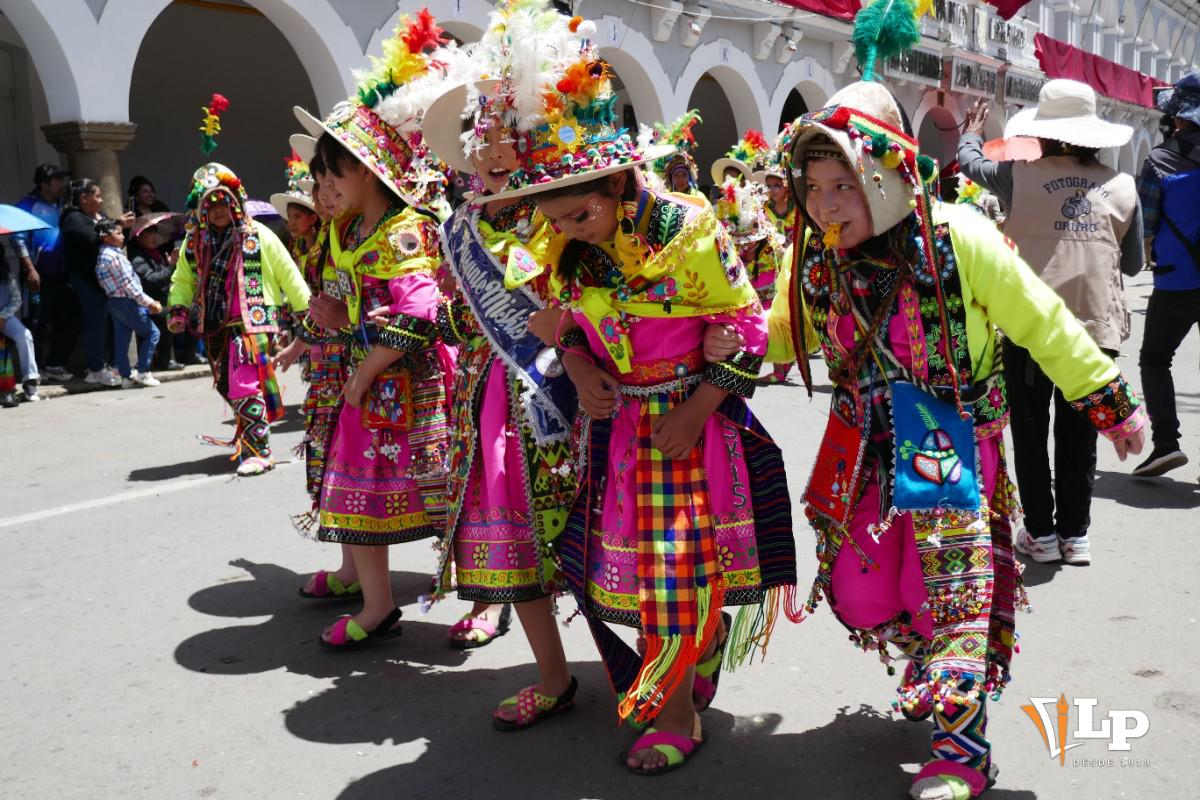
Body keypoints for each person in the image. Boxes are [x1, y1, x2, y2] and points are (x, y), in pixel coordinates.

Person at [714, 77, 1145, 800]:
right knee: (860, 591)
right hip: (859, 448)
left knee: (950, 594)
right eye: (814, 187)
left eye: (842, 184)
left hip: (943, 439)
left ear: (887, 172)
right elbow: (787, 332)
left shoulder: (960, 236)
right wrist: (741, 334)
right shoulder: (816, 257)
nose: (824, 203)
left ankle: (961, 746)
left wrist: (1108, 401)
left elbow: (1043, 321)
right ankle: (937, 668)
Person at [485, 25, 798, 773]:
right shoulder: (557, 241)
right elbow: (560, 322)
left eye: (578, 215)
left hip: (690, 427)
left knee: (673, 572)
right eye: (554, 219)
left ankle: (679, 714)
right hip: (619, 428)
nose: (564, 230)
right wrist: (579, 365)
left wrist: (694, 413)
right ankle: (693, 657)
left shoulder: (688, 230)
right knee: (614, 572)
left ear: (619, 184)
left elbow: (748, 329)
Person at [420, 0, 580, 719]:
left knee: (600, 533)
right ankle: (553, 675)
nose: (488, 148)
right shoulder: (462, 228)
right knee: (514, 538)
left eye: (504, 131)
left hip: (572, 394)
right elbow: (459, 314)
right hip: (492, 397)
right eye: (479, 132)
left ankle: (663, 667)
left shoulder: (564, 211)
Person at [297, 11, 457, 648]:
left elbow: (419, 314)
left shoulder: (403, 230)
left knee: (442, 490)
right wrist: (324, 320)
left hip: (407, 385)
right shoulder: (345, 230)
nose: (324, 185)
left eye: (334, 170)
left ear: (367, 172)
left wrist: (364, 370)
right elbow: (340, 296)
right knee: (353, 491)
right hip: (364, 382)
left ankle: (486, 596)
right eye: (322, 172)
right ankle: (377, 604)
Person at [959, 80, 1142, 565]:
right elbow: (1132, 264)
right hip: (1093, 328)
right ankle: (1075, 535)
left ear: (1044, 132)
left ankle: (1039, 534)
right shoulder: (1122, 186)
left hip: (1029, 326)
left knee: (1030, 429)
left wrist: (971, 131)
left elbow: (969, 165)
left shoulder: (1015, 176)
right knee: (1080, 435)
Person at [167, 162, 310, 476]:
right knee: (227, 386)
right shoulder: (194, 244)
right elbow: (183, 280)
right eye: (211, 204)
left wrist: (306, 312)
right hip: (214, 324)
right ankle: (250, 436)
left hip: (251, 323)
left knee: (244, 383)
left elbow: (289, 273)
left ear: (236, 202)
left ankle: (260, 451)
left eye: (225, 202)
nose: (219, 210)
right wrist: (177, 310)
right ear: (202, 209)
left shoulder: (258, 236)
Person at [1131, 70, 1200, 478]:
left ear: (1178, 115)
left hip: (1177, 281)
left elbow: (1146, 226)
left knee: (1155, 359)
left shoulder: (1160, 160)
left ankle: (1166, 444)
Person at [61, 179, 134, 387]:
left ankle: (113, 364)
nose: (101, 201)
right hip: (87, 281)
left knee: (113, 322)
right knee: (96, 323)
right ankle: (95, 368)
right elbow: (95, 240)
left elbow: (117, 240)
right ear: (84, 198)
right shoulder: (74, 219)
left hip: (107, 280)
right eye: (97, 196)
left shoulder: (100, 217)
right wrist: (118, 224)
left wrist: (123, 229)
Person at [12, 164, 68, 380]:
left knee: (66, 318)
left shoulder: (63, 204)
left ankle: (55, 364)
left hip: (61, 273)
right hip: (37, 274)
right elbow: (18, 241)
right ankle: (37, 368)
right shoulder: (27, 205)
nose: (62, 184)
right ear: (44, 184)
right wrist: (30, 269)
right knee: (36, 320)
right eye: (57, 180)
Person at [95, 218, 162, 388]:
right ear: (106, 237)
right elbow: (129, 285)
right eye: (117, 233)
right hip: (127, 302)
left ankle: (125, 377)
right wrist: (150, 302)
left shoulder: (102, 255)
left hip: (114, 302)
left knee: (122, 340)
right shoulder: (115, 257)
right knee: (153, 333)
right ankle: (143, 372)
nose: (122, 236)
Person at [127, 214, 181, 371]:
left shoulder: (155, 253)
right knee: (167, 316)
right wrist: (172, 267)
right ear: (140, 236)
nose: (154, 238)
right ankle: (160, 361)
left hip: (161, 297)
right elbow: (150, 280)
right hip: (147, 301)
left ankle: (173, 357)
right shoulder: (137, 255)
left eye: (155, 233)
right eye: (150, 234)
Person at [0, 237, 40, 403]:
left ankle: (30, 381)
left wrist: (2, 316)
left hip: (4, 316)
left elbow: (16, 299)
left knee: (25, 336)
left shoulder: (6, 274)